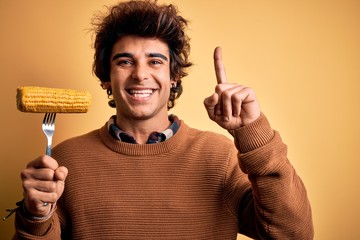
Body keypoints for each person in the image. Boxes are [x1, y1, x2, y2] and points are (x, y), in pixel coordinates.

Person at [13, 0, 314, 239]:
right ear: (106, 78)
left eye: (155, 61)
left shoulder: (220, 157)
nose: (140, 74)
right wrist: (35, 214)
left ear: (173, 77)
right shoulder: (66, 161)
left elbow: (293, 235)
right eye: (125, 61)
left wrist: (252, 131)